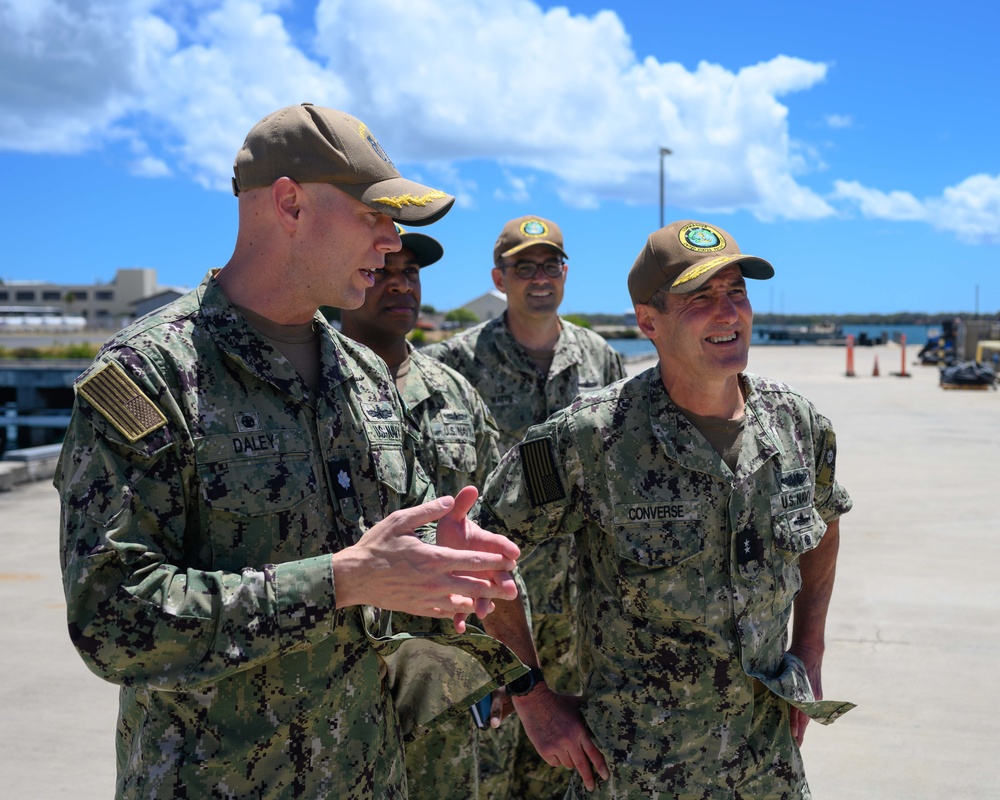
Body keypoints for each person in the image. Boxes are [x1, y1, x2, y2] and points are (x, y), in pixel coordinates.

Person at [54, 102, 525, 800]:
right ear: (290, 203)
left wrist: (440, 559)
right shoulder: (151, 377)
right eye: (374, 215)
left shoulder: (363, 378)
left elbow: (382, 571)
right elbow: (111, 620)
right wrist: (339, 581)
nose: (392, 243)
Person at [478, 220, 855, 798]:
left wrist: (809, 648)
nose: (728, 313)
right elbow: (480, 550)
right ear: (648, 322)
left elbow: (823, 522)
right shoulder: (591, 437)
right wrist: (531, 696)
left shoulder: (796, 425)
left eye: (736, 292)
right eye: (700, 298)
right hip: (636, 770)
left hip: (766, 767)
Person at [424, 215, 624, 800]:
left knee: (565, 773)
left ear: (566, 272)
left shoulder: (601, 359)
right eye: (523, 266)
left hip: (579, 610)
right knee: (484, 770)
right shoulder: (457, 363)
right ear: (498, 277)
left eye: (550, 264)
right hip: (492, 607)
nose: (539, 277)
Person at [339, 224, 502, 799]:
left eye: (410, 273)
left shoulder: (454, 392)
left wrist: (506, 664)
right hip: (348, 662)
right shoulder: (320, 384)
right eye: (384, 270)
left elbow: (496, 538)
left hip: (445, 667)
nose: (400, 285)